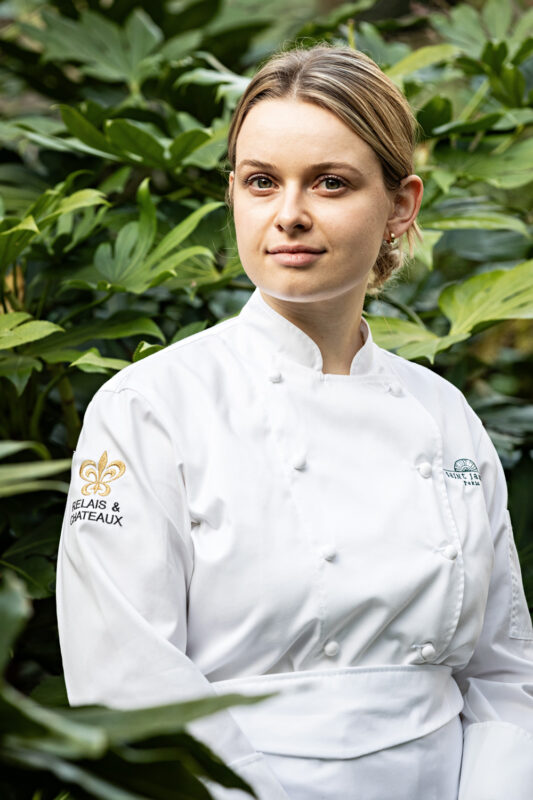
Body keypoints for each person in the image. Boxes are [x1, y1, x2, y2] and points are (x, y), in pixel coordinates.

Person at [56, 44, 533, 800]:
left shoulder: (443, 416)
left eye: (330, 183)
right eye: (260, 182)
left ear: (399, 207)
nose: (288, 216)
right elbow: (127, 678)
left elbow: (504, 674)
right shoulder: (149, 407)